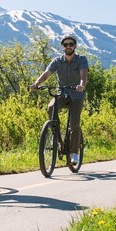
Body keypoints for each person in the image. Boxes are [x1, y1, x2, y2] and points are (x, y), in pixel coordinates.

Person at [29, 33, 88, 165]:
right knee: (50, 108)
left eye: (71, 44)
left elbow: (83, 75)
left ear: (75, 46)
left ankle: (74, 153)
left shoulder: (81, 59)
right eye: (65, 44)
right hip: (62, 93)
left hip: (77, 95)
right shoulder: (57, 61)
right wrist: (37, 84)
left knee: (74, 124)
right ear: (63, 47)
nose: (68, 46)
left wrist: (82, 85)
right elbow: (47, 74)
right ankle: (58, 140)